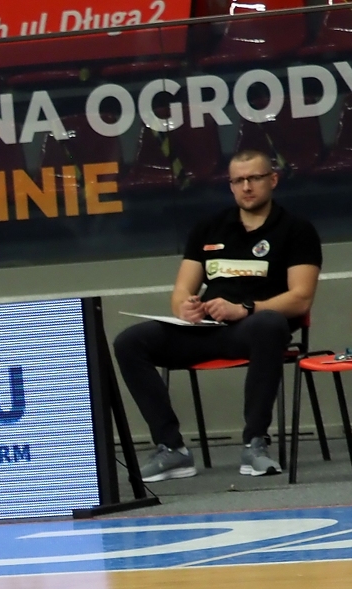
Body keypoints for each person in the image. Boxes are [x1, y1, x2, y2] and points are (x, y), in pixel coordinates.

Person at [114, 148, 321, 481]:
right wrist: (185, 308)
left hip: (254, 331)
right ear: (231, 186)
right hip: (206, 329)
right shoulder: (210, 228)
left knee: (269, 324)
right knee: (130, 342)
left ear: (273, 179)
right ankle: (172, 449)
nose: (246, 187)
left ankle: (255, 443)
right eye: (238, 181)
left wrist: (246, 309)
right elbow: (181, 291)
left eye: (254, 178)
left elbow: (301, 298)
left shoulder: (297, 230)